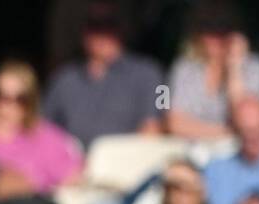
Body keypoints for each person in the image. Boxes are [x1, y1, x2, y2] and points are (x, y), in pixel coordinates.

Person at [0, 60, 83, 198]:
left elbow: (73, 178)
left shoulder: (45, 137)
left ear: (31, 102)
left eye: (19, 99)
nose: (6, 106)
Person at [42, 1, 166, 148]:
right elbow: (42, 129)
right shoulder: (63, 79)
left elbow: (156, 126)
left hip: (127, 163)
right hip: (71, 163)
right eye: (95, 26)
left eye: (109, 25)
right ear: (84, 32)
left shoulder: (150, 73)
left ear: (121, 29)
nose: (102, 34)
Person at [165, 1, 259, 141]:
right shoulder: (184, 69)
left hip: (237, 154)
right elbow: (174, 124)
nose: (215, 38)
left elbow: (244, 121)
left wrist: (234, 69)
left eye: (223, 30)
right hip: (191, 150)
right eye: (208, 28)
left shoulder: (255, 67)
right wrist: (223, 134)